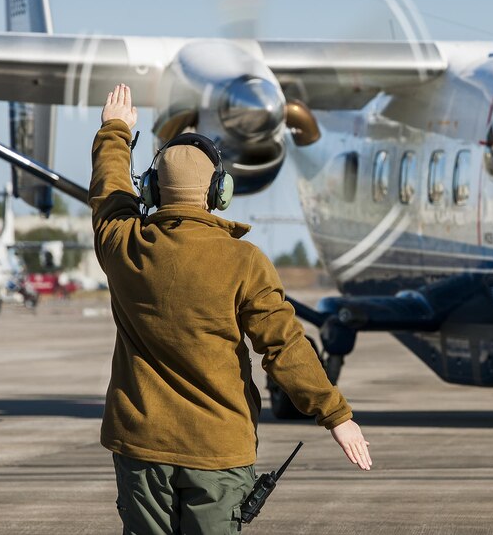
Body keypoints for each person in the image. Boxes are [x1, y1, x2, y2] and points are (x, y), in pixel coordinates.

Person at [93, 85, 371, 534]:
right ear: (218, 193)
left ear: (152, 189)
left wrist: (115, 132)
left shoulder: (123, 244)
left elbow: (110, 195)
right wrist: (336, 416)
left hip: (141, 446)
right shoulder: (245, 261)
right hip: (218, 451)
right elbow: (285, 348)